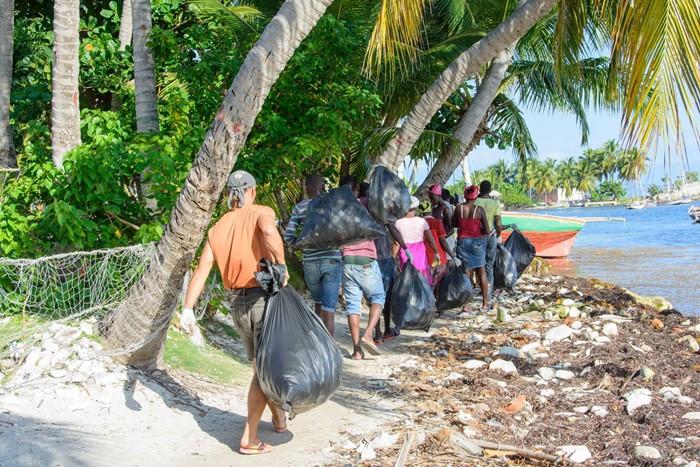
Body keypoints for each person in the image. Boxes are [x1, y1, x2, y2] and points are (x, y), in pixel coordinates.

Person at [179, 171, 287, 455]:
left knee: (262, 366)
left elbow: (202, 269)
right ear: (251, 190)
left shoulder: (218, 228)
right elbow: (268, 232)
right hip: (262, 300)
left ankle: (277, 417)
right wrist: (282, 264)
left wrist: (187, 309)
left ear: (230, 194)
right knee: (265, 370)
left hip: (237, 305)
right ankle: (249, 439)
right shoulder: (261, 212)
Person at [283, 175, 342, 336]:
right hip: (331, 259)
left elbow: (288, 237)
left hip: (310, 261)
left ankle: (317, 344)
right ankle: (330, 349)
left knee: (318, 303)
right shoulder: (333, 206)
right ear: (323, 187)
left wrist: (299, 245)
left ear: (307, 189)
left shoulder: (300, 208)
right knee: (328, 307)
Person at [339, 175, 385, 360]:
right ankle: (368, 334)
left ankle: (357, 350)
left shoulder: (338, 209)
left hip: (347, 260)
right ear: (356, 189)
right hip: (366, 259)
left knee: (353, 306)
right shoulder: (364, 204)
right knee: (378, 297)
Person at [453, 185, 491, 311]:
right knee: (481, 271)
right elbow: (487, 229)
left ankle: (466, 304)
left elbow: (454, 224)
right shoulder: (479, 210)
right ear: (476, 197)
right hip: (477, 243)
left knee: (466, 272)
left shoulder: (459, 208)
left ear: (465, 195)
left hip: (463, 241)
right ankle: (485, 303)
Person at [394, 196, 440, 285]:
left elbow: (396, 243)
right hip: (420, 254)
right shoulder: (422, 221)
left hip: (405, 254)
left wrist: (393, 256)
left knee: (407, 279)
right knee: (423, 279)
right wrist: (436, 252)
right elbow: (430, 240)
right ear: (415, 208)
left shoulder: (398, 223)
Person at [475, 180, 505, 303]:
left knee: (478, 265)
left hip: (476, 236)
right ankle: (488, 294)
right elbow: (498, 223)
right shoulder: (494, 203)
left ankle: (480, 289)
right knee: (489, 266)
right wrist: (498, 234)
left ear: (480, 189)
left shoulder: (475, 202)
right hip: (491, 235)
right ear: (490, 189)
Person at [424, 210, 458, 285]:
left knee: (428, 285)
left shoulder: (419, 224)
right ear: (431, 212)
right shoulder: (437, 222)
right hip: (439, 258)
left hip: (426, 259)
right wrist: (453, 256)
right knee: (440, 284)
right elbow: (443, 242)